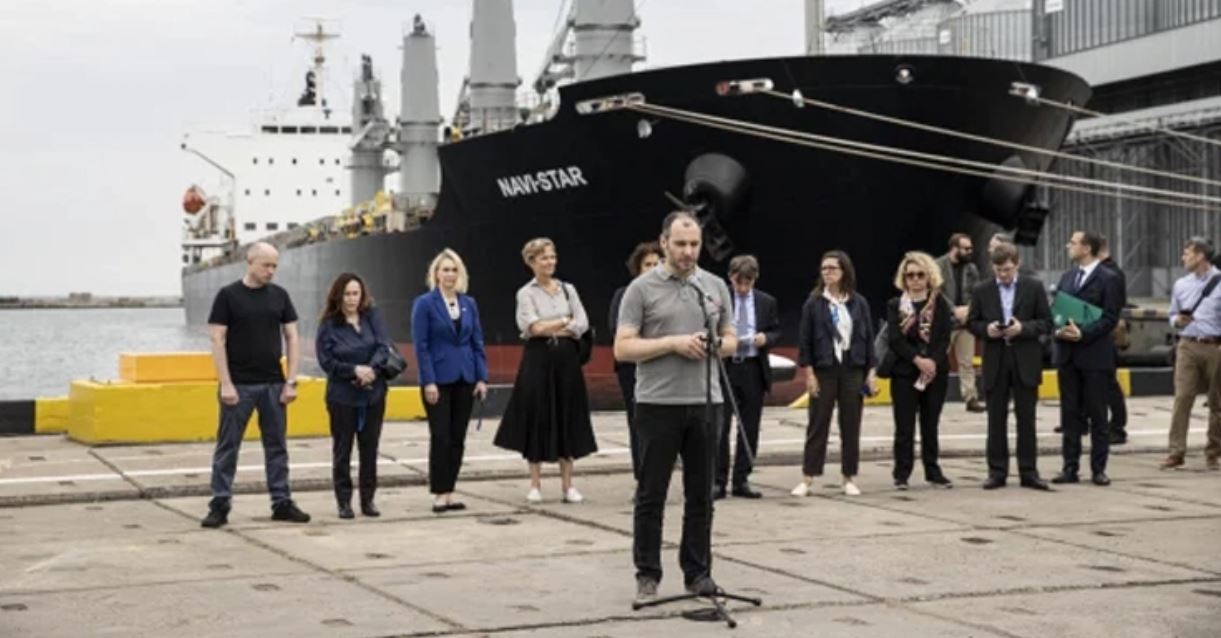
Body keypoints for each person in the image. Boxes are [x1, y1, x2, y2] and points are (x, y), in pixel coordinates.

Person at [614, 211, 736, 604]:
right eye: (680, 244)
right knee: (652, 494)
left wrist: (715, 345)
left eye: (694, 244)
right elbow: (623, 348)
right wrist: (673, 343)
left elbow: (732, 338)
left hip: (706, 403)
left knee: (702, 495)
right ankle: (647, 574)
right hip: (658, 404)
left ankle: (698, 573)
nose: (688, 252)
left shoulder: (714, 286)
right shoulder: (640, 289)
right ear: (664, 242)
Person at [201, 242, 310, 528]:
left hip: (274, 384)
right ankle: (220, 503)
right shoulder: (228, 296)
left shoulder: (280, 296)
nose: (271, 271)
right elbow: (217, 339)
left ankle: (281, 502)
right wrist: (226, 383)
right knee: (228, 446)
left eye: (275, 266)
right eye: (266, 265)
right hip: (239, 385)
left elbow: (292, 337)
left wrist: (291, 381)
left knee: (277, 447)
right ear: (250, 262)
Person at [494, 238, 597, 504]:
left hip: (567, 363)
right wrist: (564, 321)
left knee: (567, 416)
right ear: (531, 262)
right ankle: (535, 484)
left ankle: (568, 486)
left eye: (552, 257)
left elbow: (582, 323)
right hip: (538, 362)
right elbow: (532, 327)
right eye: (544, 258)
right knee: (537, 417)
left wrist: (552, 326)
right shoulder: (525, 293)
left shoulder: (568, 290)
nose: (550, 262)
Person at [792, 250, 879, 498]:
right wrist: (810, 374)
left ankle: (848, 477)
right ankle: (808, 477)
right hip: (824, 368)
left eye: (832, 268)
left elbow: (869, 339)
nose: (827, 272)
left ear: (844, 272)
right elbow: (805, 341)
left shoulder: (859, 303)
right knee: (818, 423)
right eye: (824, 268)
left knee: (851, 424)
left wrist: (870, 372)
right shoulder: (814, 304)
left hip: (852, 367)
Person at [968, 243, 1052, 491]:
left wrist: (1022, 329)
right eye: (998, 270)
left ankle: (1029, 471)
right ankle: (997, 471)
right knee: (996, 419)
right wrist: (987, 329)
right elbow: (972, 322)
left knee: (1026, 419)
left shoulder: (1033, 287)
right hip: (996, 358)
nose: (1003, 275)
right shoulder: (982, 290)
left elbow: (1046, 322)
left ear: (1017, 265)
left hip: (1024, 357)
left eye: (1007, 269)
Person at [412, 249, 490, 512]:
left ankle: (451, 491)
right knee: (441, 436)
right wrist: (428, 381)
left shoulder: (469, 303)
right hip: (438, 380)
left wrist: (481, 377)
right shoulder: (424, 304)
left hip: (465, 378)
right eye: (445, 269)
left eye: (454, 269)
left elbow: (477, 342)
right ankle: (439, 492)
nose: (450, 274)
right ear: (436, 273)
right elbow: (421, 346)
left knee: (458, 437)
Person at [316, 273, 393, 519]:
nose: (351, 299)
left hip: (373, 394)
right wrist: (354, 370)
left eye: (355, 294)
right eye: (347, 294)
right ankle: (344, 502)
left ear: (362, 295)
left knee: (370, 449)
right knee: (343, 450)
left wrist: (371, 370)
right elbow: (326, 361)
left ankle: (368, 500)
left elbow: (384, 346)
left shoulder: (372, 317)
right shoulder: (328, 325)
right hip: (343, 396)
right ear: (338, 296)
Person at [1052, 231, 1124, 487]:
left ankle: (1098, 468)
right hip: (1068, 356)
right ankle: (1069, 467)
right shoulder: (1067, 277)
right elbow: (1057, 311)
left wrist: (1083, 333)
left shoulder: (1108, 278)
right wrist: (1058, 330)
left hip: (1094, 356)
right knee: (1069, 414)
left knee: (1097, 414)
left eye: (1072, 243)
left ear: (1086, 248)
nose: (1068, 246)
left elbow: (1110, 317)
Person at [715, 255, 781, 500]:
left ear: (756, 279)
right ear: (730, 277)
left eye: (748, 283)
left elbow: (776, 330)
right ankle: (718, 480)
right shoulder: (719, 300)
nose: (742, 288)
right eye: (738, 282)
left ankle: (742, 478)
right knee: (720, 426)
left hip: (753, 367)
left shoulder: (766, 302)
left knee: (749, 426)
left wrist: (766, 338)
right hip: (726, 367)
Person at [886, 251, 954, 490]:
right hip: (905, 372)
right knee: (904, 426)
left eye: (920, 274)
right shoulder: (896, 305)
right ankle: (901, 473)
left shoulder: (940, 304)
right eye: (910, 275)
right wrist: (917, 360)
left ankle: (932, 471)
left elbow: (944, 337)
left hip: (935, 372)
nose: (915, 279)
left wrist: (932, 361)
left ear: (929, 276)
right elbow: (895, 339)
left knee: (930, 424)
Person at [1162, 237, 1221, 471]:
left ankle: (1214, 452)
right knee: (1183, 397)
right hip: (1187, 344)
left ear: (1200, 256)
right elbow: (1172, 314)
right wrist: (1177, 320)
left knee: (1217, 402)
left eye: (1187, 253)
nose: (1183, 258)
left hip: (1215, 346)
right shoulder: (1181, 284)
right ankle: (1176, 451)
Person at [609, 241, 664, 480]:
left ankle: (659, 474)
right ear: (638, 268)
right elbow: (615, 329)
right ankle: (642, 477)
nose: (653, 269)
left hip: (664, 367)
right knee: (638, 422)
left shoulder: (672, 294)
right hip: (632, 368)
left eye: (657, 264)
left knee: (664, 424)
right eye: (647, 264)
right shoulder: (623, 295)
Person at [935, 233, 984, 413]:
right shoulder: (938, 265)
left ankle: (971, 397)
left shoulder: (971, 268)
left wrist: (968, 310)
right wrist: (954, 309)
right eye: (966, 248)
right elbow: (936, 291)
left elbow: (977, 292)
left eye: (970, 248)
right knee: (935, 360)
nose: (970, 251)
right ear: (954, 248)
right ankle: (927, 395)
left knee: (967, 362)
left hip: (965, 323)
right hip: (944, 322)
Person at [1098, 240, 1129, 445]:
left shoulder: (1112, 274)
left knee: (1109, 382)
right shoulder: (1105, 271)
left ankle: (1118, 426)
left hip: (1106, 333)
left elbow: (1113, 306)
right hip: (1098, 332)